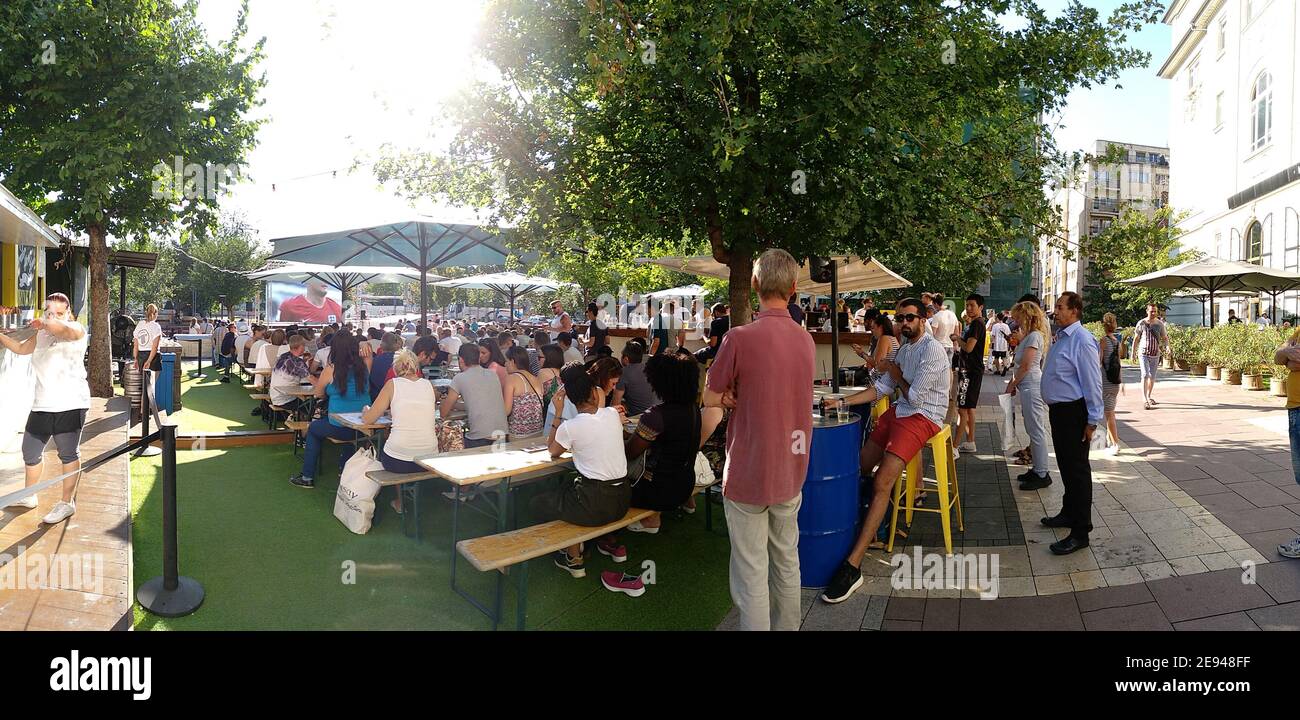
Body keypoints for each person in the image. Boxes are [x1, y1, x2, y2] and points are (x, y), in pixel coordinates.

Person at [702, 248, 814, 630]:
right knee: (787, 561)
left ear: (754, 284)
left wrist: (731, 395)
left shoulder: (738, 338)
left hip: (748, 470)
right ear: (794, 288)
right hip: (791, 469)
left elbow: (710, 396)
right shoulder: (805, 341)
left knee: (751, 573)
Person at [819, 297, 950, 604]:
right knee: (859, 466)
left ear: (922, 320)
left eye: (910, 318)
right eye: (900, 318)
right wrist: (842, 402)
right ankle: (862, 525)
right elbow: (881, 389)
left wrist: (894, 369)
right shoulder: (904, 349)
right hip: (901, 410)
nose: (904, 323)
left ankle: (853, 565)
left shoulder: (931, 350)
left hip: (923, 416)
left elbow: (916, 397)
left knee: (882, 483)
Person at [532, 364, 637, 595]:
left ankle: (573, 558)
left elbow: (552, 451)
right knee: (570, 490)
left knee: (539, 502)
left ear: (569, 398)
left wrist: (558, 412)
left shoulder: (570, 427)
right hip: (622, 500)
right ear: (594, 392)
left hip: (594, 502)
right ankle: (595, 546)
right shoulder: (611, 414)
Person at [0, 293, 90, 524]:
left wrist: (45, 321)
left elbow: (62, 330)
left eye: (59, 313)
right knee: (30, 452)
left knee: (67, 454)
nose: (53, 317)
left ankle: (66, 503)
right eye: (49, 311)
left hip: (71, 404)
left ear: (68, 314)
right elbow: (20, 348)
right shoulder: (40, 334)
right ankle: (29, 495)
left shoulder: (76, 330)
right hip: (42, 404)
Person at [624, 349, 724, 532]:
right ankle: (687, 505)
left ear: (660, 382)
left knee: (610, 486)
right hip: (685, 485)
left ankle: (650, 521)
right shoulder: (693, 409)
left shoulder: (655, 416)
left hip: (656, 492)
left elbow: (629, 453)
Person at [1040, 291, 1104, 555]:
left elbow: (1092, 382)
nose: (1055, 311)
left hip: (1074, 414)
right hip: (1060, 413)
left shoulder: (1082, 340)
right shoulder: (1063, 337)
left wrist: (1092, 420)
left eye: (1060, 306)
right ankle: (1068, 512)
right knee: (1066, 466)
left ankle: (1080, 531)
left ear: (1074, 310)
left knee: (1077, 471)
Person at [289, 332, 372, 489]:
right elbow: (367, 351)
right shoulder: (365, 365)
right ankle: (343, 468)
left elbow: (318, 393)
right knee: (350, 434)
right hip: (363, 427)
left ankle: (307, 476)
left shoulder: (331, 369)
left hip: (339, 426)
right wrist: (363, 344)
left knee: (313, 428)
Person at [364, 349, 438, 514]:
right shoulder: (428, 385)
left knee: (390, 446)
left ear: (396, 368)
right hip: (429, 457)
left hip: (398, 460)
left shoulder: (392, 385)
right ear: (415, 367)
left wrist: (365, 410)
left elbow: (369, 418)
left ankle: (399, 501)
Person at [1006, 301, 1053, 489]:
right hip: (1028, 385)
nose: (1016, 321)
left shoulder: (1034, 336)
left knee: (1036, 430)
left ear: (1027, 316)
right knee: (1033, 428)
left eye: (1018, 317)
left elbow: (1026, 365)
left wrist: (1012, 383)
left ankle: (1042, 473)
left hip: (1032, 385)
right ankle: (1038, 469)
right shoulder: (1030, 336)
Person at [443, 343, 509, 449]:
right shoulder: (492, 374)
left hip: (479, 438)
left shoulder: (460, 378)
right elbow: (480, 403)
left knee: (450, 443)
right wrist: (456, 405)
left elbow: (443, 412)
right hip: (502, 435)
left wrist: (442, 402)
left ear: (461, 360)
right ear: (478, 358)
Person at [1270, 330, 1300, 559]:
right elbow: (1279, 357)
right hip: (1295, 410)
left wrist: (1291, 358)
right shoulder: (1299, 331)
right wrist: (1286, 353)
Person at [951, 293, 987, 453]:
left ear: (981, 307)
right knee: (969, 408)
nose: (969, 308)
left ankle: (954, 447)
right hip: (972, 371)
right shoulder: (976, 323)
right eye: (967, 305)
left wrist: (957, 338)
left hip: (970, 372)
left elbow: (969, 347)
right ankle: (970, 441)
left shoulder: (977, 325)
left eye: (972, 305)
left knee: (962, 409)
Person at [1132, 302, 1169, 410]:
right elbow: (1136, 339)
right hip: (1143, 353)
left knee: (1152, 377)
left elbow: (1165, 338)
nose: (1153, 313)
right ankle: (1144, 399)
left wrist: (1168, 347)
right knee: (1144, 375)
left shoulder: (1159, 324)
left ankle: (1148, 395)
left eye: (1155, 311)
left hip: (1155, 354)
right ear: (1147, 311)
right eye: (1151, 311)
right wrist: (1132, 353)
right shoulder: (1141, 323)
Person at [504, 346, 546, 438]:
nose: (505, 364)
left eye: (506, 361)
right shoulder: (536, 378)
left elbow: (506, 410)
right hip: (538, 431)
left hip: (519, 434)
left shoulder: (511, 379)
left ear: (513, 361)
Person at [612, 340, 662, 416]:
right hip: (657, 413)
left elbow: (615, 404)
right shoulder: (651, 369)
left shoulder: (623, 372)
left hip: (637, 416)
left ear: (626, 359)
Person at [851, 312, 898, 387]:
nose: (871, 331)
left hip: (880, 382)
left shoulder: (884, 338)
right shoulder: (891, 338)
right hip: (884, 380)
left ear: (881, 327)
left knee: (843, 376)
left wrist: (861, 353)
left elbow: (877, 364)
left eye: (873, 328)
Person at [1099, 312, 1124, 455]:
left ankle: (1115, 443)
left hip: (1105, 380)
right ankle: (1110, 442)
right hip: (1115, 381)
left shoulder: (1103, 340)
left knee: (1109, 414)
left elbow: (1098, 361)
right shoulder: (1116, 341)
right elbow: (1119, 363)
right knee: (1109, 411)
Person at [279, 278, 343, 323]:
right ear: (308, 280)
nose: (325, 281)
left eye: (326, 278)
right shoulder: (289, 306)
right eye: (320, 277)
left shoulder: (337, 309)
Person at [368, 332, 403, 401]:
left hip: (377, 398)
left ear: (381, 345)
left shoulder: (375, 360)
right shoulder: (403, 360)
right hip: (398, 398)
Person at [133, 303, 163, 373]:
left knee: (143, 382)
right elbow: (155, 346)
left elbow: (135, 345)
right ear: (156, 313)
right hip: (153, 357)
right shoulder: (156, 326)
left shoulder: (140, 325)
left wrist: (135, 359)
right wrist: (149, 361)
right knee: (152, 383)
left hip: (140, 356)